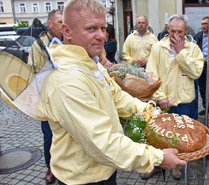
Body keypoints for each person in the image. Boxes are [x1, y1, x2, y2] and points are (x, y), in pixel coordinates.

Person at [37, 0, 186, 184]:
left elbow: (117, 97)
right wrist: (158, 158)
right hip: (83, 177)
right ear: (67, 31)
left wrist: (152, 113)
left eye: (102, 28)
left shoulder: (90, 64)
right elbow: (102, 143)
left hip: (104, 169)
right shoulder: (66, 81)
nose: (101, 36)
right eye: (91, 29)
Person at [145, 14, 204, 180]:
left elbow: (196, 72)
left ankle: (175, 166)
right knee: (156, 135)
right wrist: (159, 96)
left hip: (184, 101)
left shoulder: (193, 49)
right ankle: (156, 165)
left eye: (180, 31)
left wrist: (180, 53)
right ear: (167, 29)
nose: (176, 35)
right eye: (172, 31)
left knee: (179, 137)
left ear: (186, 31)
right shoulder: (157, 47)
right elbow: (150, 74)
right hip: (162, 100)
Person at [27, 9, 63, 184]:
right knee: (49, 135)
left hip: (67, 96)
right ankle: (51, 167)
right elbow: (33, 73)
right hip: (48, 98)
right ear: (50, 24)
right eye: (60, 22)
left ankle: (65, 164)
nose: (64, 26)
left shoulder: (70, 41)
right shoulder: (39, 45)